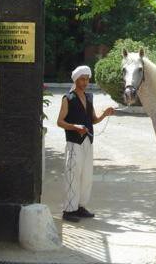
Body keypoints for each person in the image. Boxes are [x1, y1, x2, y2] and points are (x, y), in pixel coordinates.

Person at [57, 65, 115, 222]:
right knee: (73, 175)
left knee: (86, 176)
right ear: (76, 80)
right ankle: (69, 211)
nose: (85, 82)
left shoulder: (89, 97)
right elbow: (60, 122)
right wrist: (75, 127)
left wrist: (105, 114)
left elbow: (93, 120)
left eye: (87, 79)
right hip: (74, 143)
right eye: (82, 79)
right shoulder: (67, 98)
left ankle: (80, 207)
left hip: (88, 141)